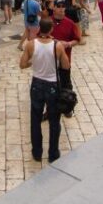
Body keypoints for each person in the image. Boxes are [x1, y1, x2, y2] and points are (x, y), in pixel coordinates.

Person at [20, 18, 70, 162]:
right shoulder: (57, 46)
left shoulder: (30, 45)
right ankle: (53, 153)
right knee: (54, 120)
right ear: (51, 29)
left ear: (38, 29)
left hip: (37, 84)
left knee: (35, 119)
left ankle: (37, 152)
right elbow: (66, 66)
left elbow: (22, 64)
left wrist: (34, 61)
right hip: (52, 85)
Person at [51, 0, 81, 116]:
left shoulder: (70, 23)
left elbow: (78, 39)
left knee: (66, 83)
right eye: (59, 6)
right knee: (51, 85)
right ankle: (50, 109)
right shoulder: (48, 21)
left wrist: (68, 44)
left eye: (63, 7)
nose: (61, 9)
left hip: (65, 60)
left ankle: (68, 107)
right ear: (54, 8)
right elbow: (40, 37)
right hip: (50, 60)